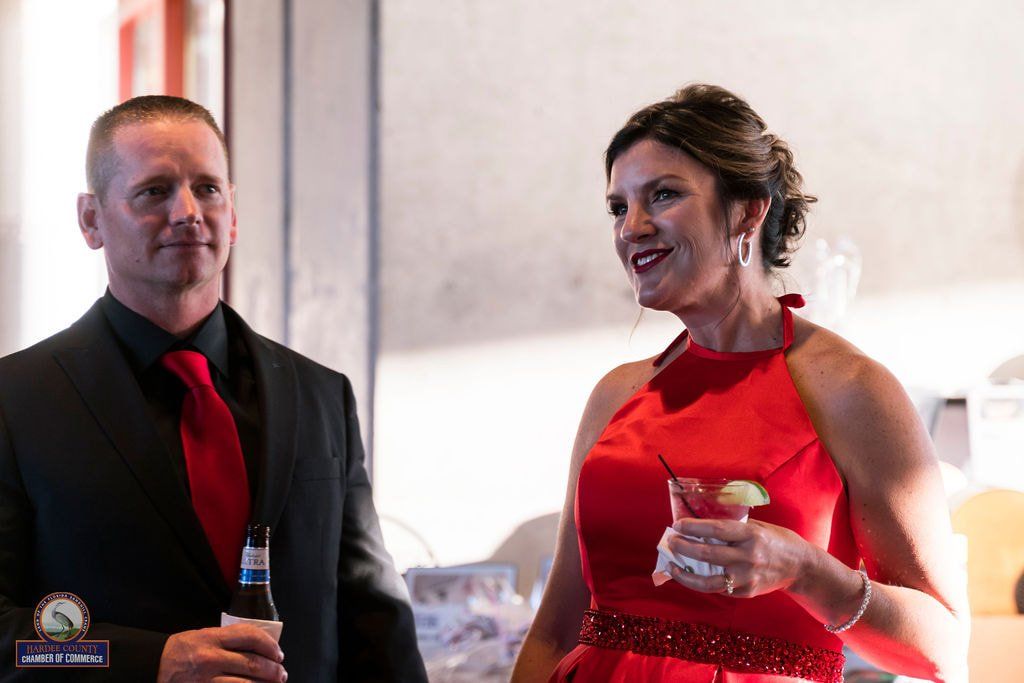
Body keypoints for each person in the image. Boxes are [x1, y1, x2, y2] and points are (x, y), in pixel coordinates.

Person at [512, 85, 969, 682]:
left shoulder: (850, 389)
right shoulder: (616, 395)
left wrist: (808, 571)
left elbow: (943, 649)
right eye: (618, 208)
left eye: (663, 194)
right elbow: (554, 630)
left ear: (748, 211)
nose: (632, 228)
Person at [0, 95, 427, 682]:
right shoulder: (16, 402)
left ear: (234, 213)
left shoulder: (321, 394)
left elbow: (372, 617)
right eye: (154, 191)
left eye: (207, 189)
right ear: (91, 220)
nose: (187, 212)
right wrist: (149, 661)